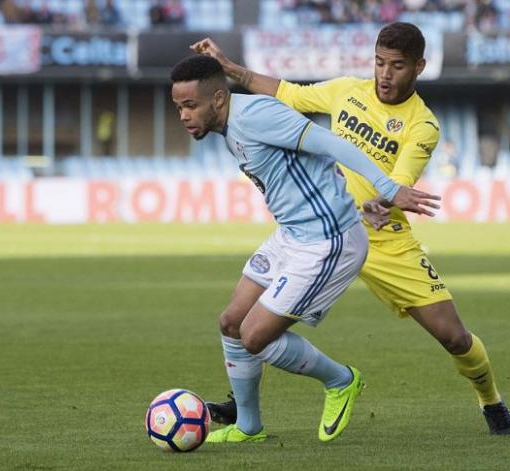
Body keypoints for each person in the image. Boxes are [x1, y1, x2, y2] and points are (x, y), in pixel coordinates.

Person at [193, 22, 510, 435]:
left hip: (385, 240)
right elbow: (289, 93)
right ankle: (244, 408)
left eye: (397, 66)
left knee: (454, 337)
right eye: (379, 63)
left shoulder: (423, 125)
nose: (385, 74)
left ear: (419, 66)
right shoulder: (348, 90)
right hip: (318, 230)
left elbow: (399, 181)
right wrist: (231, 69)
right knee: (240, 321)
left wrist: (380, 202)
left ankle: (491, 401)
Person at [170, 54, 441, 443]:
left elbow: (330, 142)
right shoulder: (230, 125)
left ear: (217, 99)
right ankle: (248, 427)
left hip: (329, 239)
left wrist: (388, 188)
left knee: (254, 337)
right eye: (178, 106)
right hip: (293, 235)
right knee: (231, 322)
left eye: (189, 105)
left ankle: (341, 381)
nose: (183, 115)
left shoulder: (256, 115)